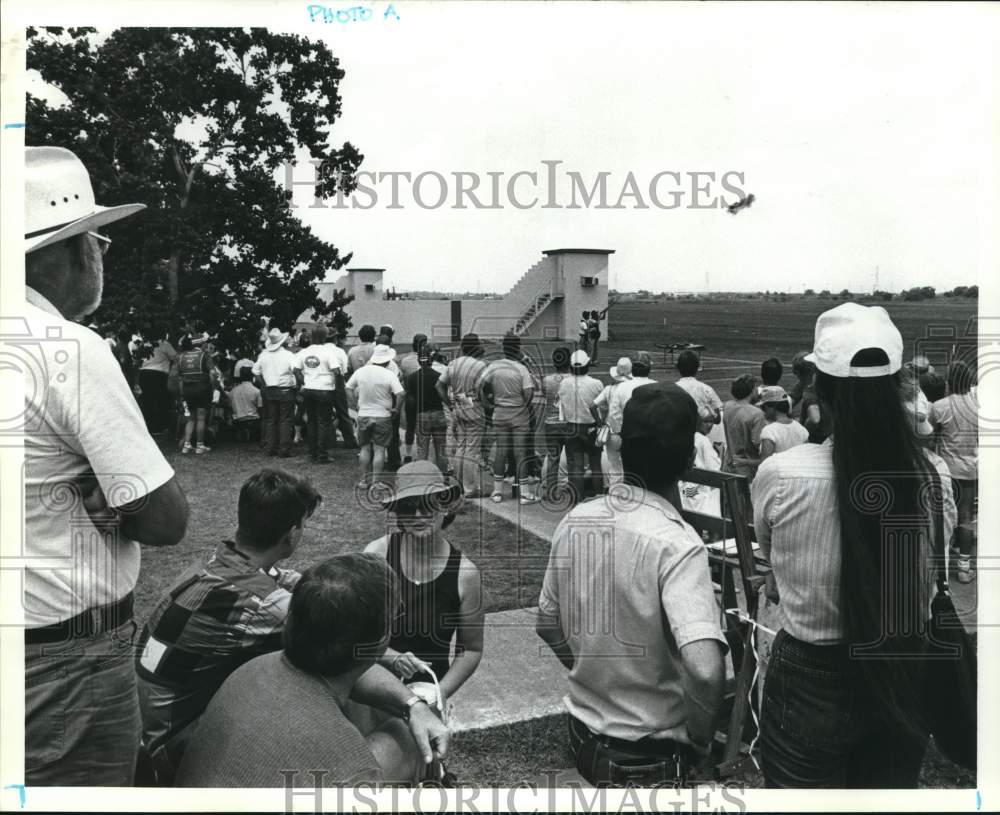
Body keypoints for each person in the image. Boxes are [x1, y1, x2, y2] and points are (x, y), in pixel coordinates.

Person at [22, 145, 189, 785]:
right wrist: (106, 496)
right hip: (64, 659)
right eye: (99, 241)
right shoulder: (69, 348)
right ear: (65, 251)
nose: (103, 257)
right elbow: (166, 518)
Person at [752, 302, 956, 788]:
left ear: (819, 389)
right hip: (903, 668)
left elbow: (770, 557)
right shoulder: (933, 477)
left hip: (810, 676)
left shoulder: (782, 475)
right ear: (899, 387)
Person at [536, 383, 728, 787]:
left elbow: (547, 623)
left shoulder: (577, 520)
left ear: (620, 448)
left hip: (585, 731)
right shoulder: (677, 543)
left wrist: (593, 675)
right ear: (690, 457)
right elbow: (707, 672)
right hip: (649, 749)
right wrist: (700, 738)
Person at [174, 554, 450, 787]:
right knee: (407, 735)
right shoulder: (349, 767)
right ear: (380, 640)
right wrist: (421, 713)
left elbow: (357, 674)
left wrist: (414, 706)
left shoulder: (255, 668)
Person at [136, 470, 320, 783]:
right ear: (291, 534)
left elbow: (281, 577)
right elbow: (337, 632)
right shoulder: (261, 604)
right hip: (174, 751)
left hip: (145, 733)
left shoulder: (214, 562)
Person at [365, 461, 484, 709]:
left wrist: (440, 693)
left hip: (429, 692)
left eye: (429, 503)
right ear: (397, 512)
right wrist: (392, 657)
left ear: (445, 506)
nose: (419, 515)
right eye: (409, 506)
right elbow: (355, 633)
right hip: (375, 688)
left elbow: (470, 649)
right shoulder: (377, 556)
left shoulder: (465, 575)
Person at [929, 360, 978, 583]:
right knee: (966, 516)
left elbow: (928, 436)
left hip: (946, 469)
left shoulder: (939, 406)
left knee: (944, 517)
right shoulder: (980, 405)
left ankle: (943, 567)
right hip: (970, 468)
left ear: (950, 381)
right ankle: (964, 567)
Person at [481, 333, 537, 504]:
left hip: (500, 411)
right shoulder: (521, 369)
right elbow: (528, 393)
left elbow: (480, 386)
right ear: (518, 349)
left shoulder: (494, 366)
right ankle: (525, 493)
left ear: (504, 348)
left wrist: (488, 405)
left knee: (501, 452)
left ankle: (497, 492)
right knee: (520, 453)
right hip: (518, 412)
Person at [436, 333, 488, 499]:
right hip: (474, 408)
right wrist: (488, 406)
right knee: (472, 449)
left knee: (462, 446)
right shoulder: (480, 365)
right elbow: (483, 388)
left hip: (458, 408)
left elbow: (439, 385)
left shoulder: (453, 363)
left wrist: (449, 404)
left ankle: (459, 484)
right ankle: (470, 488)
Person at [346, 344, 405, 485]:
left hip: (364, 413)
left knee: (365, 448)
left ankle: (363, 481)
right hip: (383, 415)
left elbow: (348, 387)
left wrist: (355, 404)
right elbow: (401, 393)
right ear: (387, 361)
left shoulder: (361, 371)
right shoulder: (389, 374)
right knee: (379, 450)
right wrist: (396, 409)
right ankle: (376, 482)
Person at [558, 350, 605, 503]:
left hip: (571, 425)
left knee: (575, 466)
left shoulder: (564, 383)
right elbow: (602, 406)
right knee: (595, 463)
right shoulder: (596, 383)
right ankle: (598, 498)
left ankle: (577, 499)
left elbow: (562, 406)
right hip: (590, 426)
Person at [297, 323, 345, 463]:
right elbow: (337, 372)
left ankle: (312, 453)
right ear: (325, 337)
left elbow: (295, 369)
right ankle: (322, 454)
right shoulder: (329, 352)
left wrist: (304, 381)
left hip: (309, 389)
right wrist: (336, 386)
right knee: (324, 422)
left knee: (311, 422)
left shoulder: (303, 352)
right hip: (325, 389)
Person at [253, 327, 301, 457]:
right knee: (285, 420)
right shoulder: (288, 355)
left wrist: (263, 385)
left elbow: (256, 372)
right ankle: (283, 449)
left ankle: (270, 448)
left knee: (271, 420)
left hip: (269, 389)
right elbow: (296, 371)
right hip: (285, 390)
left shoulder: (263, 355)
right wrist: (298, 385)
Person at [406, 345, 449, 474]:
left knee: (422, 450)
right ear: (432, 360)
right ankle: (444, 478)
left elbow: (411, 398)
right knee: (441, 449)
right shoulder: (439, 376)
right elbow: (444, 393)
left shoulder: (412, 377)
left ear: (419, 360)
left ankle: (422, 478)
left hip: (422, 414)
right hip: (438, 413)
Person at [590, 358, 632, 488]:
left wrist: (599, 423)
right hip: (628, 432)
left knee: (615, 467)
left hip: (612, 432)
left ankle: (614, 493)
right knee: (628, 467)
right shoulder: (630, 389)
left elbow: (592, 406)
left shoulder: (609, 389)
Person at [178, 335, 222, 454]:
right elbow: (213, 373)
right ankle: (200, 445)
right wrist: (213, 386)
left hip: (187, 389)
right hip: (202, 388)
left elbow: (180, 376)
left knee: (191, 418)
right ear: (202, 344)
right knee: (201, 418)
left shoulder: (182, 356)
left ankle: (187, 445)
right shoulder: (204, 355)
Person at [540, 347, 572, 501]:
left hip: (551, 422)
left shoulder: (547, 380)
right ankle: (574, 488)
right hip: (568, 421)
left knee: (553, 457)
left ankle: (551, 492)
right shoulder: (573, 380)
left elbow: (545, 393)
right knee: (572, 457)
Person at [680, 405, 723, 518]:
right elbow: (714, 467)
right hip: (701, 488)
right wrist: (720, 453)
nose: (710, 425)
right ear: (697, 421)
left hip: (687, 487)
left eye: (711, 421)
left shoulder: (687, 436)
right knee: (710, 516)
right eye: (705, 421)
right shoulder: (703, 441)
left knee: (691, 514)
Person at [721, 373, 766, 480]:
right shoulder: (757, 414)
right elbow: (758, 444)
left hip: (728, 464)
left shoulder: (727, 406)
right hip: (747, 469)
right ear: (751, 390)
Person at [138, 334, 178, 434]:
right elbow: (175, 358)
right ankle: (162, 426)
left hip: (144, 374)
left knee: (148, 401)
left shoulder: (144, 344)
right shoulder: (164, 344)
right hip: (158, 374)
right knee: (162, 400)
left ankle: (150, 427)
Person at [758, 385, 808, 463]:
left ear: (771, 407)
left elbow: (764, 463)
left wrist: (743, 462)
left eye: (763, 408)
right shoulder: (802, 430)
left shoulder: (770, 431)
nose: (763, 411)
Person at [400, 333, 429, 463]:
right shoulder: (426, 360)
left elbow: (403, 378)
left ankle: (408, 453)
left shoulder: (405, 361)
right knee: (422, 427)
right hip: (422, 395)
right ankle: (421, 454)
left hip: (410, 395)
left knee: (410, 426)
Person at [674, 349, 722, 424]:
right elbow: (717, 418)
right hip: (699, 431)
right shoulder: (707, 389)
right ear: (697, 368)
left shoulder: (672, 389)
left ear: (678, 367)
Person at [229, 367, 263, 441]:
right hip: (253, 419)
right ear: (252, 377)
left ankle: (242, 431)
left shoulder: (233, 391)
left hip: (238, 420)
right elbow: (260, 408)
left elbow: (230, 406)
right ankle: (252, 432)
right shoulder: (256, 391)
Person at [787, 351, 813, 422]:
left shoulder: (822, 385)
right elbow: (790, 401)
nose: (796, 376)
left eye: (796, 373)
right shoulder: (802, 384)